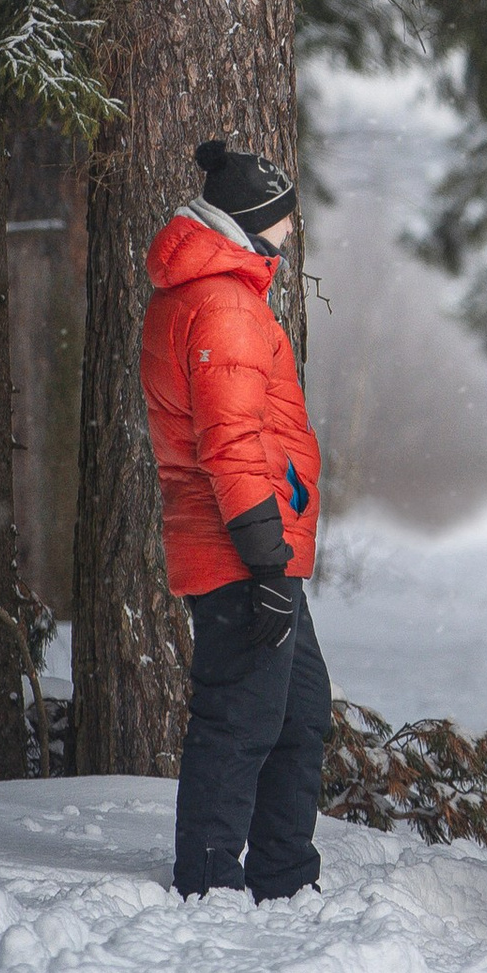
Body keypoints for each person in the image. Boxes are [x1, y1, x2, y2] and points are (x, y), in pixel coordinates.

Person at [142, 135, 329, 902]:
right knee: (241, 719)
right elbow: (229, 443)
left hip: (257, 543)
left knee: (299, 712)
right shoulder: (222, 304)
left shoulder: (220, 294)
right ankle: (210, 883)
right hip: (242, 549)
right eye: (283, 217)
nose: (290, 231)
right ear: (249, 220)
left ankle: (283, 879)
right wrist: (266, 563)